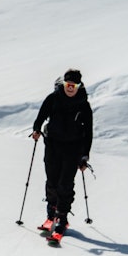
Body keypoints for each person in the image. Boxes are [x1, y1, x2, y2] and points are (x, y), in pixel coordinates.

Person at [31, 69, 92, 241]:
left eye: (74, 86)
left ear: (79, 86)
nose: (70, 88)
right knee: (52, 181)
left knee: (65, 184)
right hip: (52, 145)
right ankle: (51, 216)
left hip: (73, 149)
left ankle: (61, 219)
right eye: (68, 85)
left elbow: (88, 132)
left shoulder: (83, 105)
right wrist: (36, 129)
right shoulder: (53, 98)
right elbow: (40, 117)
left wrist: (85, 156)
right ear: (63, 84)